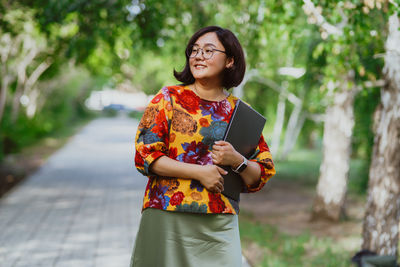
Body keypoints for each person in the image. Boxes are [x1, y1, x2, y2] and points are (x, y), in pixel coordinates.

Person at [131, 26, 276, 267]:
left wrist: (237, 160)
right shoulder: (168, 98)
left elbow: (260, 174)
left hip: (219, 219)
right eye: (194, 50)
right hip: (167, 213)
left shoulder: (239, 112)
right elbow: (146, 155)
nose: (198, 56)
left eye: (209, 51)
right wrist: (200, 172)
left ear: (230, 60)